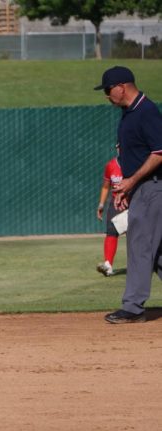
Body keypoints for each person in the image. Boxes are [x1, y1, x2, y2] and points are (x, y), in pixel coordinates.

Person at [95, 66, 162, 324]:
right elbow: (130, 157)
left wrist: (133, 181)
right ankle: (133, 305)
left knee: (139, 246)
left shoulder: (146, 112)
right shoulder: (128, 114)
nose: (107, 95)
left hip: (153, 187)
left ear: (122, 86)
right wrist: (127, 188)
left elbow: (159, 151)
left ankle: (133, 307)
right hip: (141, 187)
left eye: (108, 89)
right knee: (156, 253)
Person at [96, 143, 123, 277]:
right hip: (116, 204)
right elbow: (106, 187)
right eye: (118, 146)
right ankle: (108, 265)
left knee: (137, 235)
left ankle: (145, 264)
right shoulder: (111, 165)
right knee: (111, 232)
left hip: (135, 202)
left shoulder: (136, 163)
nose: (120, 148)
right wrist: (101, 205)